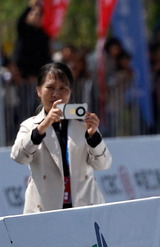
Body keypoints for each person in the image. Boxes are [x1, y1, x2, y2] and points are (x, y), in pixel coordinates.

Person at [11, 62, 112, 213]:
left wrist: (94, 136)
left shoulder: (83, 124)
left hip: (85, 207)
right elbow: (19, 157)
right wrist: (41, 128)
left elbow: (103, 165)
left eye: (62, 88)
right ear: (38, 90)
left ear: (70, 92)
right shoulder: (30, 125)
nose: (56, 94)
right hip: (45, 210)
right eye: (50, 87)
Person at [13, 0, 52, 82]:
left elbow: (45, 57)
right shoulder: (24, 30)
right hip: (21, 76)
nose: (35, 16)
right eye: (33, 13)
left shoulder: (44, 35)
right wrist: (30, 6)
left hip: (37, 77)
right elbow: (21, 21)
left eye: (38, 14)